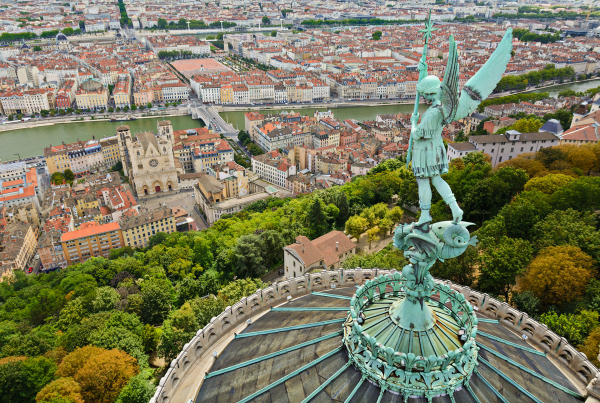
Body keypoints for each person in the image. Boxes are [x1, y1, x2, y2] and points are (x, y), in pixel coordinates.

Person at [410, 60, 462, 226]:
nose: (423, 97)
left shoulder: (432, 114)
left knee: (424, 181)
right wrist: (423, 73)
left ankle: (425, 215)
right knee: (437, 179)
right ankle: (454, 207)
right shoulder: (441, 107)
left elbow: (417, 135)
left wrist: (413, 122)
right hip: (435, 147)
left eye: (425, 94)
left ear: (430, 93)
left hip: (425, 150)